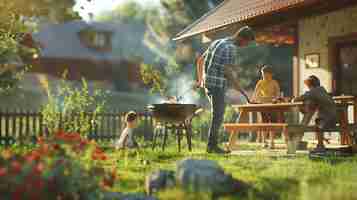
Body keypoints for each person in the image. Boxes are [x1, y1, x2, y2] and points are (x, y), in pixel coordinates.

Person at [202, 26, 255, 154]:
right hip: (217, 85)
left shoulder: (218, 42)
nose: (245, 46)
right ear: (241, 38)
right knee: (218, 116)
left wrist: (202, 79)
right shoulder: (230, 48)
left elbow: (203, 60)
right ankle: (212, 146)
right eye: (246, 43)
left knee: (217, 114)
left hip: (208, 83)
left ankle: (212, 145)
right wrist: (242, 91)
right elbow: (228, 72)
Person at [292, 75, 337, 151]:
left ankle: (320, 145)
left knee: (318, 123)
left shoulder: (314, 91)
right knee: (315, 119)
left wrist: (296, 102)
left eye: (308, 86)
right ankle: (319, 144)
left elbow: (297, 99)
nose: (308, 88)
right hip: (334, 116)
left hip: (327, 117)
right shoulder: (322, 90)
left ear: (310, 85)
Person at [252, 65, 281, 148]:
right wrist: (254, 100)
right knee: (263, 122)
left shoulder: (274, 82)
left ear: (271, 74)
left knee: (272, 123)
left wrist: (276, 99)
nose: (264, 76)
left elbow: (278, 94)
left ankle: (272, 141)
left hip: (272, 105)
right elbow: (255, 93)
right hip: (262, 104)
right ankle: (264, 141)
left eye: (266, 74)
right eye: (262, 74)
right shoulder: (260, 82)